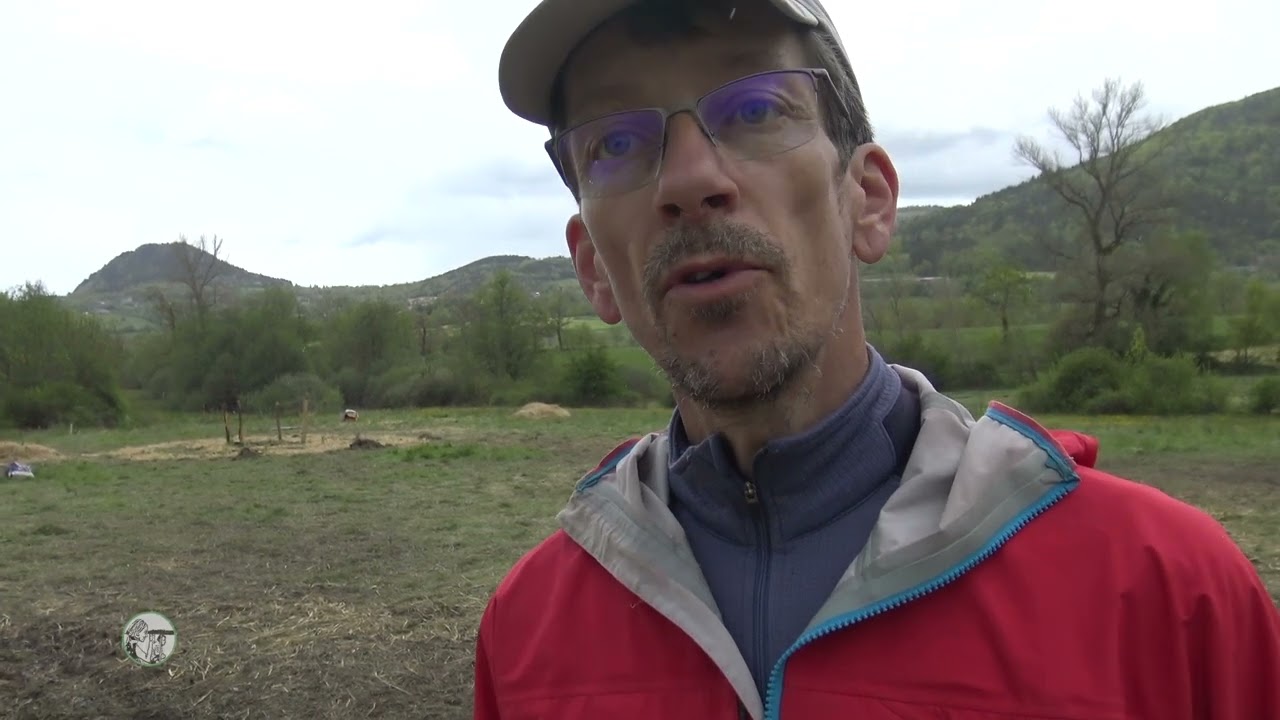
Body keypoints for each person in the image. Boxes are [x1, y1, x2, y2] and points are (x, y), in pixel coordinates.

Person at [475, 0, 1280, 717]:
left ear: (869, 199)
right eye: (616, 140)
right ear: (591, 268)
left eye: (756, 107)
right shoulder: (528, 634)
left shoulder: (1167, 598)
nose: (688, 181)